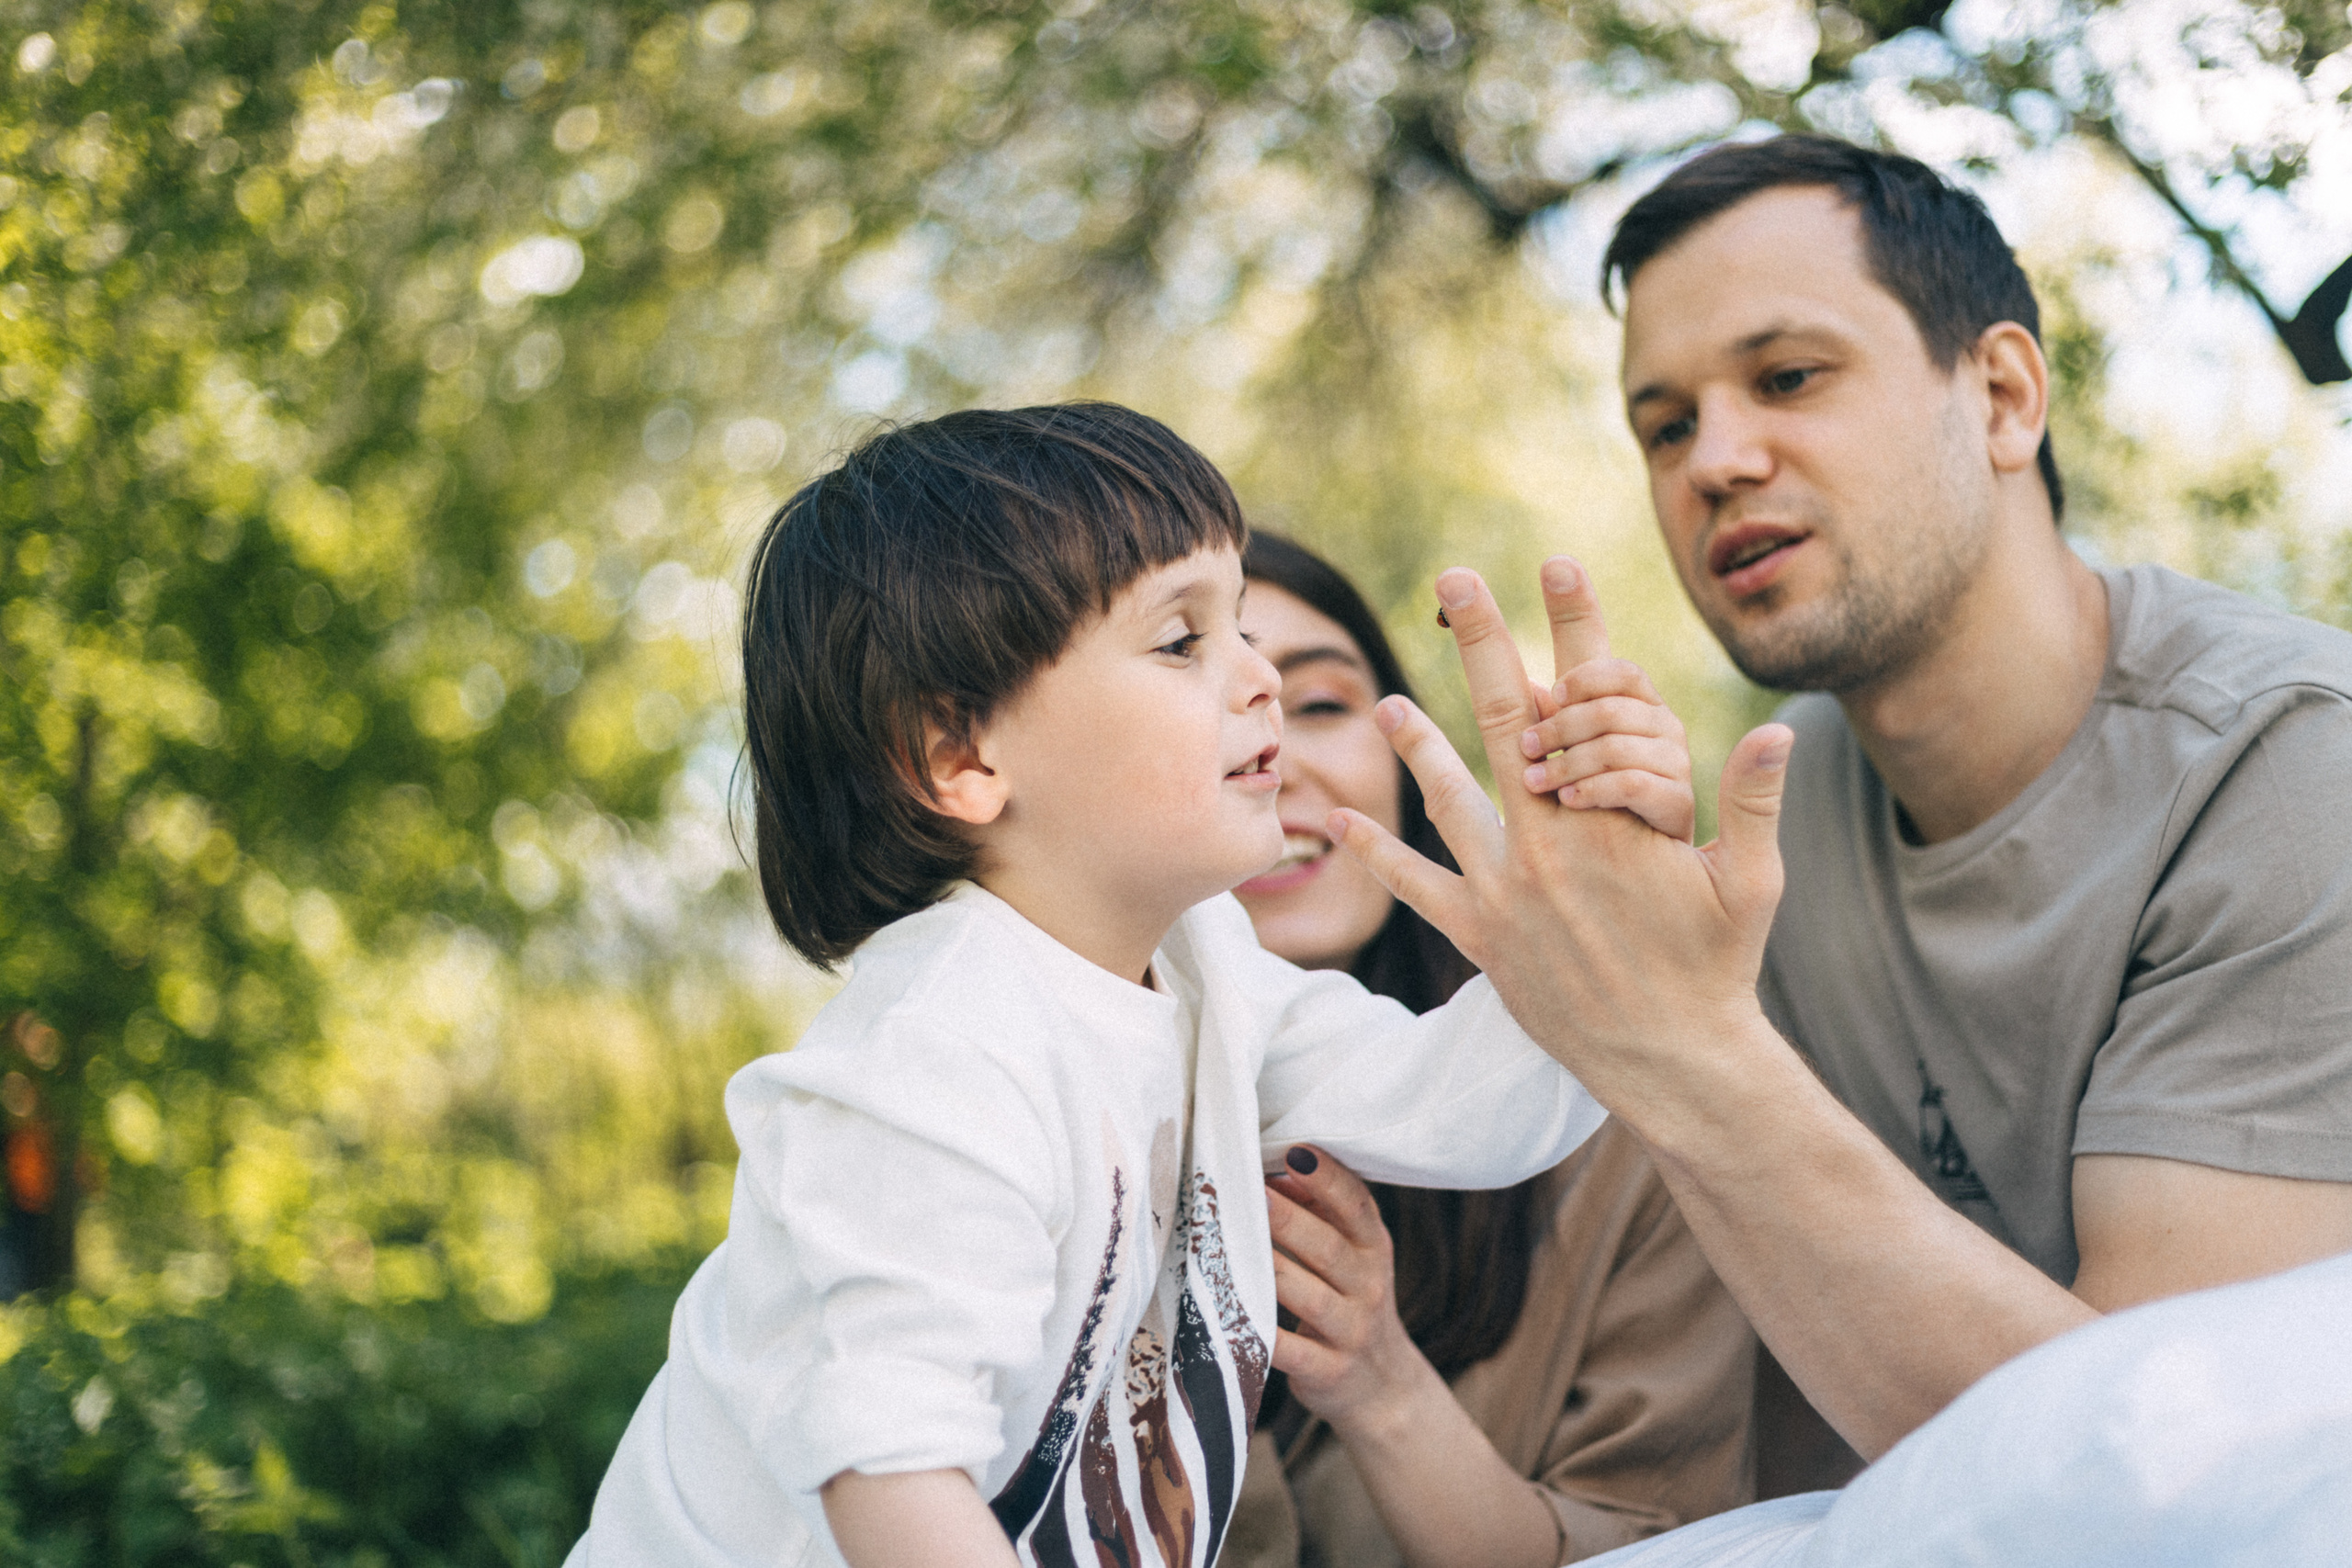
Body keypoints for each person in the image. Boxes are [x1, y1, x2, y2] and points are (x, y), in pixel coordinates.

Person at [1316, 132, 2352, 1496]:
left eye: (1789, 376)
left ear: (1999, 395)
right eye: (1666, 424)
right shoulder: (1780, 812)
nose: (1717, 462)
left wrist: (1676, 1036)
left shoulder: (2285, 771)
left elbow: (2157, 1477)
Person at [566, 403, 1692, 1568]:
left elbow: (1472, 1109)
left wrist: (1595, 902)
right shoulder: (932, 1054)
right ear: (958, 758)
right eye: (1180, 642)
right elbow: (891, 1476)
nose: (1259, 681)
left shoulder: (1207, 966)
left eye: (1240, 626)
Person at [1219, 533, 1754, 1568]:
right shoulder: (1038, 1104)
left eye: (1319, 704)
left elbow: (1651, 1542)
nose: (1271, 754)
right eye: (1213, 709)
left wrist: (1378, 1385)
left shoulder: (1603, 1122)